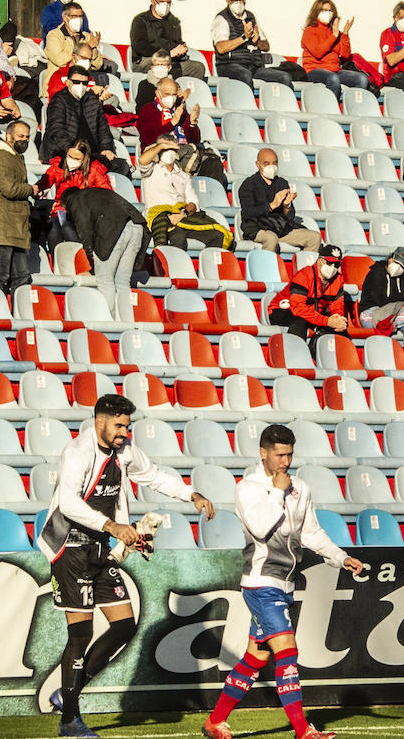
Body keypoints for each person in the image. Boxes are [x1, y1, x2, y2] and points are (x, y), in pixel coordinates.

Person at [39, 393, 215, 739]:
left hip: (100, 549)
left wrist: (190, 494)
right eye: (119, 425)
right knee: (81, 633)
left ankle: (68, 694)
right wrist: (113, 527)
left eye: (127, 425)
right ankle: (69, 721)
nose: (124, 432)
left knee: (124, 626)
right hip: (68, 550)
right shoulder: (77, 452)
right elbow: (69, 503)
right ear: (99, 421)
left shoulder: (124, 452)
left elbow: (153, 476)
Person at [201, 423, 359, 739]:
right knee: (287, 650)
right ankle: (303, 730)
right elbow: (260, 529)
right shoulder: (248, 488)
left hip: (286, 584)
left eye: (289, 454)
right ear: (263, 453)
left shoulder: (300, 488)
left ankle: (214, 722)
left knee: (256, 657)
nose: (285, 462)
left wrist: (340, 557)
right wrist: (276, 491)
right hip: (260, 583)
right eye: (279, 455)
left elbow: (311, 532)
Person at [61, 185, 148, 305]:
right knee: (122, 282)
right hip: (137, 226)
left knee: (105, 281)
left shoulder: (76, 199)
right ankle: (126, 321)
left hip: (114, 229)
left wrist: (91, 254)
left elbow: (84, 228)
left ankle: (109, 320)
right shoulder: (96, 193)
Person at [0, 122, 37, 295]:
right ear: (9, 136)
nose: (24, 140)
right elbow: (8, 189)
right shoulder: (1, 157)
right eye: (20, 136)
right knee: (0, 276)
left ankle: (19, 314)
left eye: (27, 137)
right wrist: (30, 190)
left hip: (14, 226)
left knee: (22, 277)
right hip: (0, 226)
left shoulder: (13, 157)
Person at [141, 138, 233, 250]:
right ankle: (167, 266)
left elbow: (193, 203)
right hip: (161, 217)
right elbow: (142, 161)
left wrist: (182, 214)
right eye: (165, 149)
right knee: (178, 237)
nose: (168, 151)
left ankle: (208, 266)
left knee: (219, 235)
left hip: (182, 216)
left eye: (171, 148)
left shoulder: (183, 176)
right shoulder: (152, 170)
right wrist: (160, 146)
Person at [41, 65, 129, 177]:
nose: (81, 86)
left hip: (92, 154)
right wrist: (73, 150)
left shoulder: (92, 100)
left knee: (121, 165)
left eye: (84, 83)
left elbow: (103, 129)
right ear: (68, 82)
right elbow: (56, 130)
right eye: (76, 82)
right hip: (66, 153)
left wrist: (106, 148)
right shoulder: (59, 100)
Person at [35, 139, 113, 253]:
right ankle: (57, 264)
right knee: (53, 231)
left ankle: (84, 260)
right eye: (70, 156)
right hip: (61, 210)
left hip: (85, 213)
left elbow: (107, 194)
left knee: (68, 230)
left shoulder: (94, 170)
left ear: (84, 158)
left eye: (76, 159)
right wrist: (38, 190)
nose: (72, 161)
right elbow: (43, 182)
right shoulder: (58, 167)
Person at [267, 243, 353, 347]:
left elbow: (337, 306)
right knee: (300, 322)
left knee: (341, 330)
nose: (333, 268)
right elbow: (298, 309)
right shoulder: (304, 275)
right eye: (330, 263)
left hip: (312, 313)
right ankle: (296, 355)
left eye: (337, 265)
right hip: (284, 310)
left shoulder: (338, 280)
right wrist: (326, 321)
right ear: (320, 261)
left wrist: (337, 319)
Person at [238, 148, 320, 252]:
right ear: (258, 165)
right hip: (257, 228)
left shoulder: (282, 183)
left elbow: (290, 216)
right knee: (271, 238)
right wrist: (271, 205)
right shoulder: (249, 185)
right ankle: (267, 267)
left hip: (279, 228)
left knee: (314, 237)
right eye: (266, 163)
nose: (271, 166)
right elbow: (247, 213)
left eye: (274, 163)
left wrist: (286, 206)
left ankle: (305, 267)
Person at [358, 246, 404, 359]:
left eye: (402, 266)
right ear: (391, 259)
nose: (398, 267)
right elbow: (381, 300)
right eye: (397, 262)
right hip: (371, 315)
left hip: (391, 317)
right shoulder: (376, 273)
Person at [211, 0, 291, 89]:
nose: (238, 3)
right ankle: (247, 104)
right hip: (229, 65)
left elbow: (266, 46)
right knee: (245, 75)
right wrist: (244, 38)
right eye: (234, 0)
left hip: (254, 66)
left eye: (241, 0)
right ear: (227, 0)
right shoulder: (222, 19)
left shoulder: (251, 17)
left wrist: (256, 41)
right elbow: (221, 48)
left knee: (285, 77)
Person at [299, 0, 368, 100]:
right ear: (316, 12)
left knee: (362, 79)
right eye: (324, 10)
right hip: (314, 70)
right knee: (333, 78)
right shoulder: (309, 31)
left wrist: (344, 34)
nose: (328, 13)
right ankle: (331, 109)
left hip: (335, 70)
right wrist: (334, 36)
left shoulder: (335, 32)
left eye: (330, 11)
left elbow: (345, 55)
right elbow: (318, 52)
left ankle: (351, 108)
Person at [128, 0, 205, 78]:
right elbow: (140, 47)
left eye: (168, 3)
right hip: (147, 60)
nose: (165, 5)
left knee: (198, 67)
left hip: (170, 61)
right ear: (153, 2)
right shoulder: (141, 20)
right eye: (161, 2)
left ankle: (178, 87)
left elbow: (176, 43)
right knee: (163, 67)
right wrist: (167, 54)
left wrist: (181, 49)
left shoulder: (173, 22)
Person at [45, 3, 106, 77]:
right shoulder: (54, 35)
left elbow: (97, 65)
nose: (78, 19)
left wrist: (92, 48)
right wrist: (87, 47)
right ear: (65, 17)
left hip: (83, 81)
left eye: (80, 16)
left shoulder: (87, 36)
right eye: (74, 16)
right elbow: (60, 60)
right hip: (58, 81)